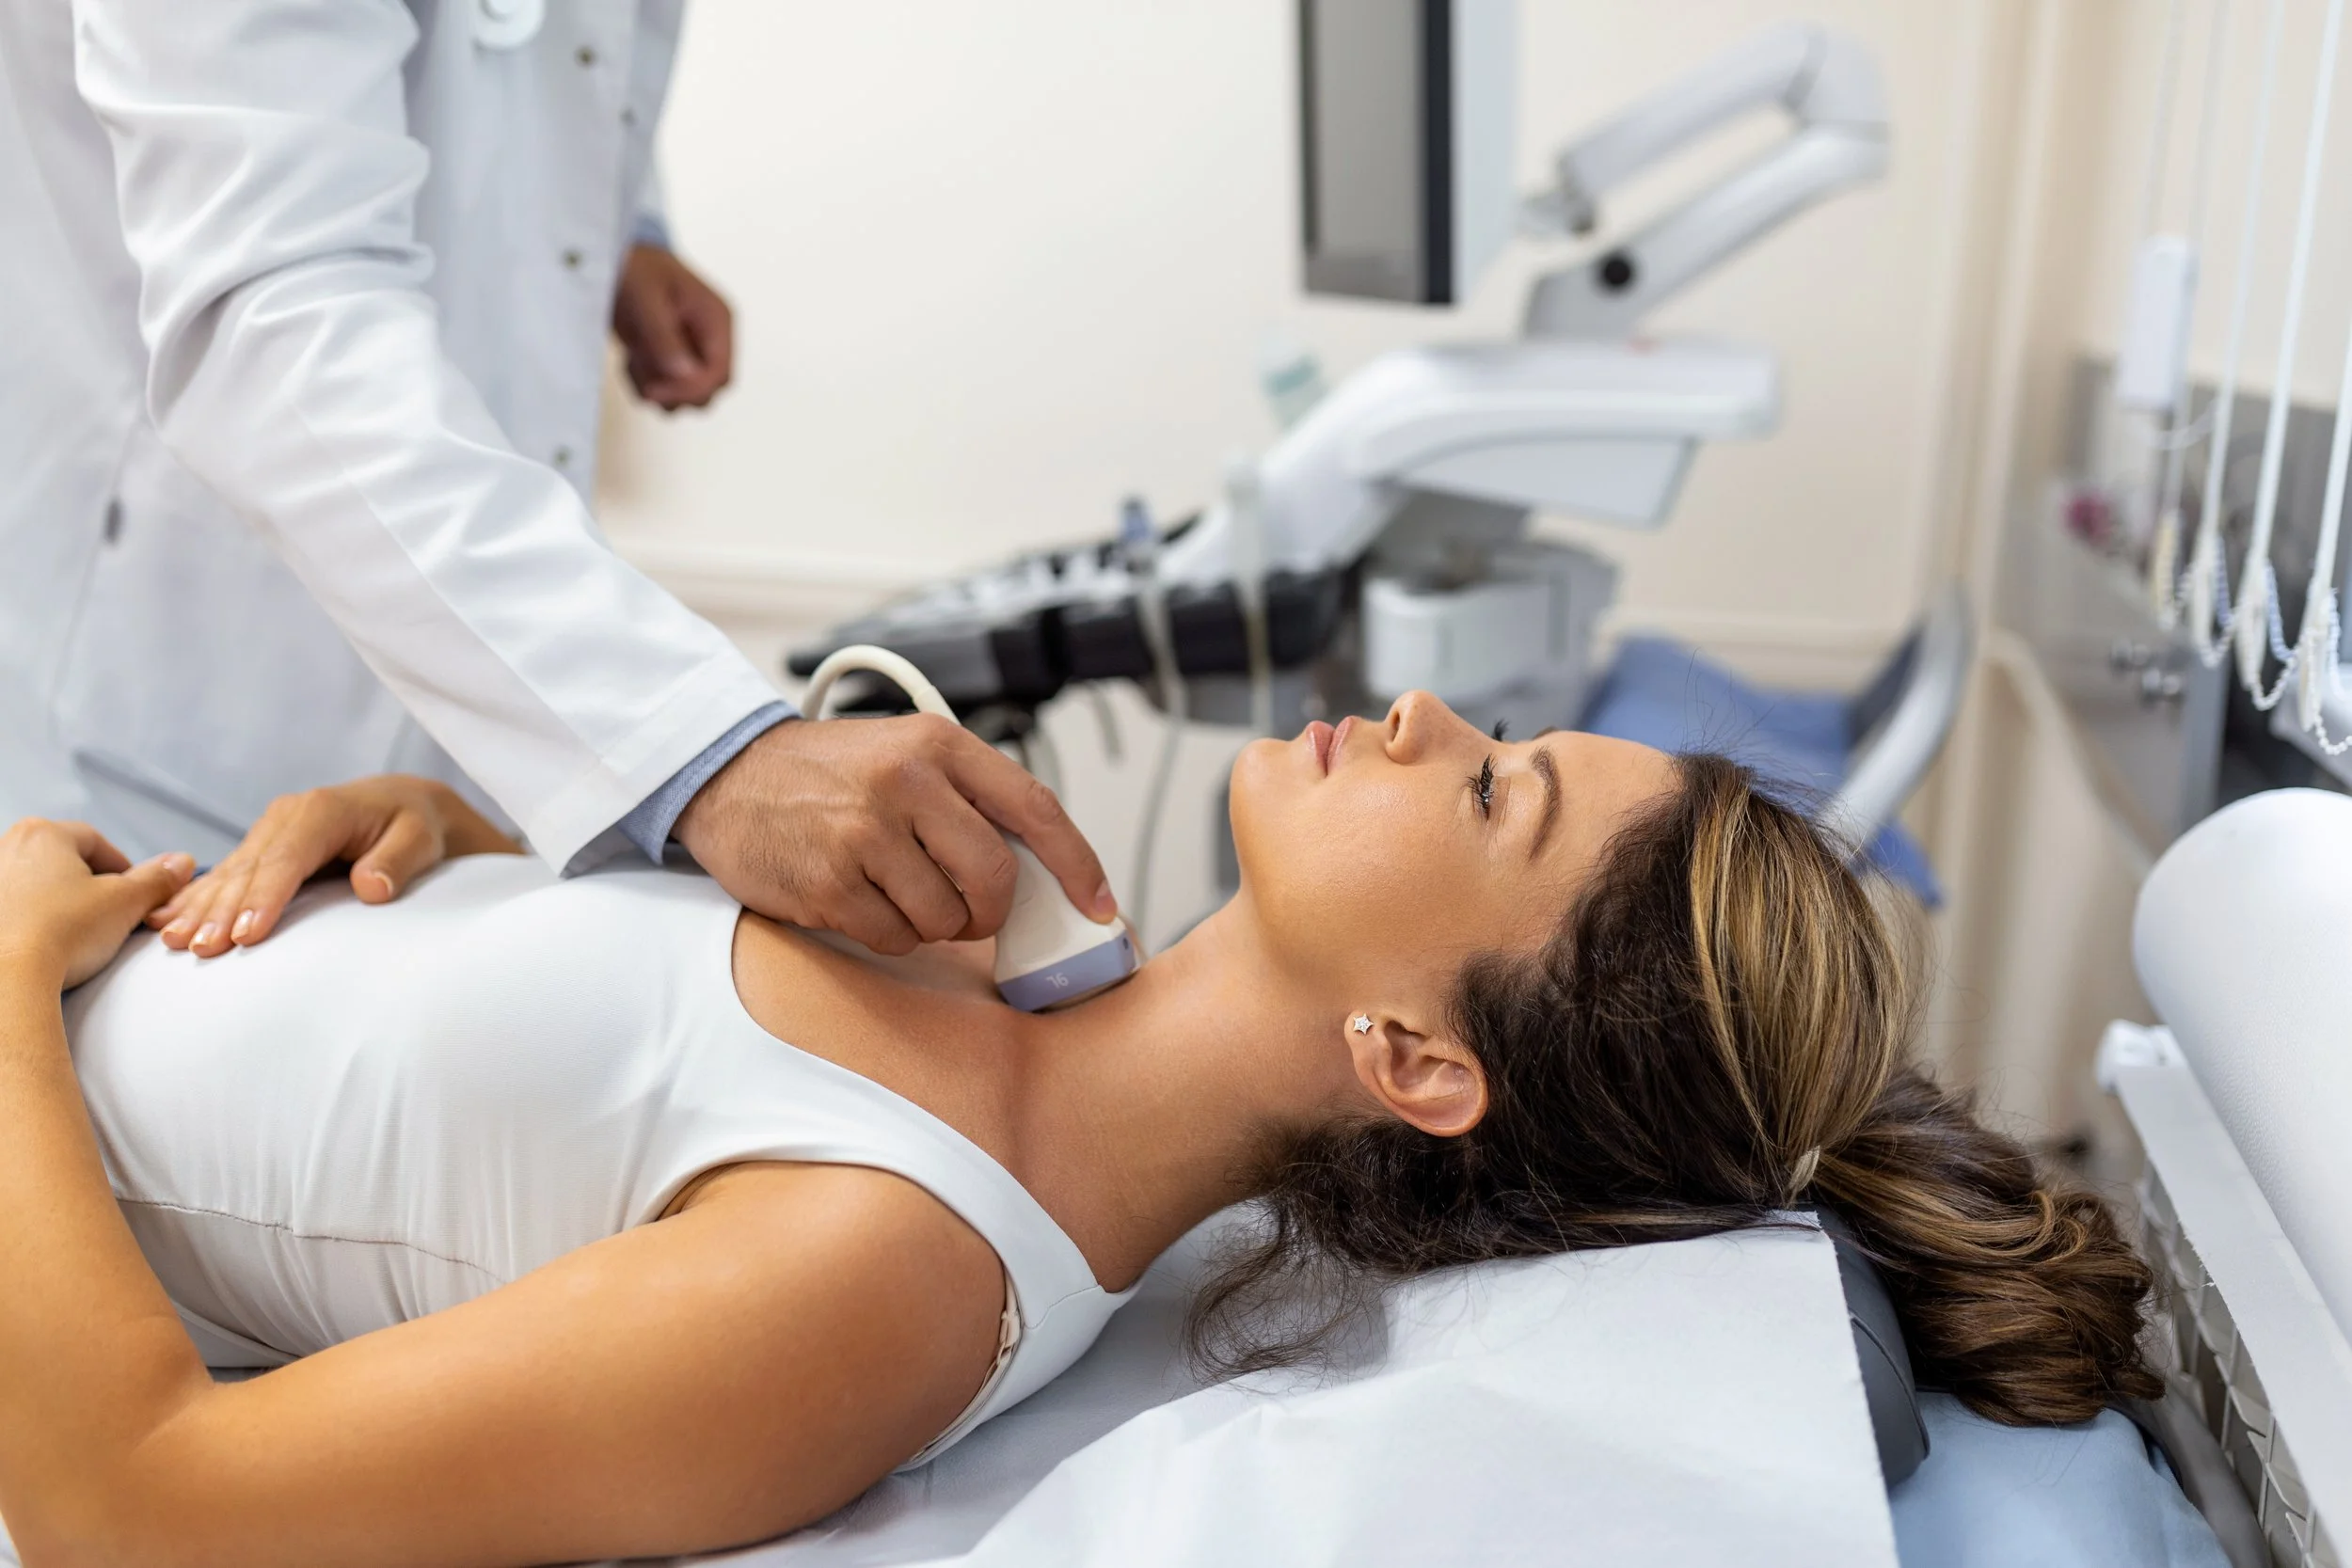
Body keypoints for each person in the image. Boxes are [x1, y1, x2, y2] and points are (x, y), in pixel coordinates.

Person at [0, 693, 2158, 1564]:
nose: (1415, 715)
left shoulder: (892, 1282)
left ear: (1419, 1059)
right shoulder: (979, 919)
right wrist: (441, 841)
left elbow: (134, 1500)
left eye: (1484, 783)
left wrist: (2, 996)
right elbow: (496, 1115)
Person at [0, 4, 1112, 963]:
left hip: (442, 741)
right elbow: (269, 303)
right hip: (156, 693)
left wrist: (622, 230)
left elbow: (536, 50)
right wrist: (706, 756)